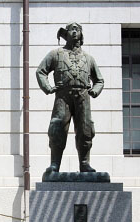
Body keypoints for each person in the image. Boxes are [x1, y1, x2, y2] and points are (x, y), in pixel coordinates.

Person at [36, 22, 104, 173]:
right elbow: (41, 71)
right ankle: (55, 164)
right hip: (63, 97)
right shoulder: (55, 54)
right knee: (57, 128)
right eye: (71, 30)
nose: (74, 32)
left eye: (77, 29)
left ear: (81, 34)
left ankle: (84, 163)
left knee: (85, 129)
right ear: (65, 34)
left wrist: (95, 91)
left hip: (83, 97)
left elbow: (99, 80)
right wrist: (48, 88)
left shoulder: (88, 58)